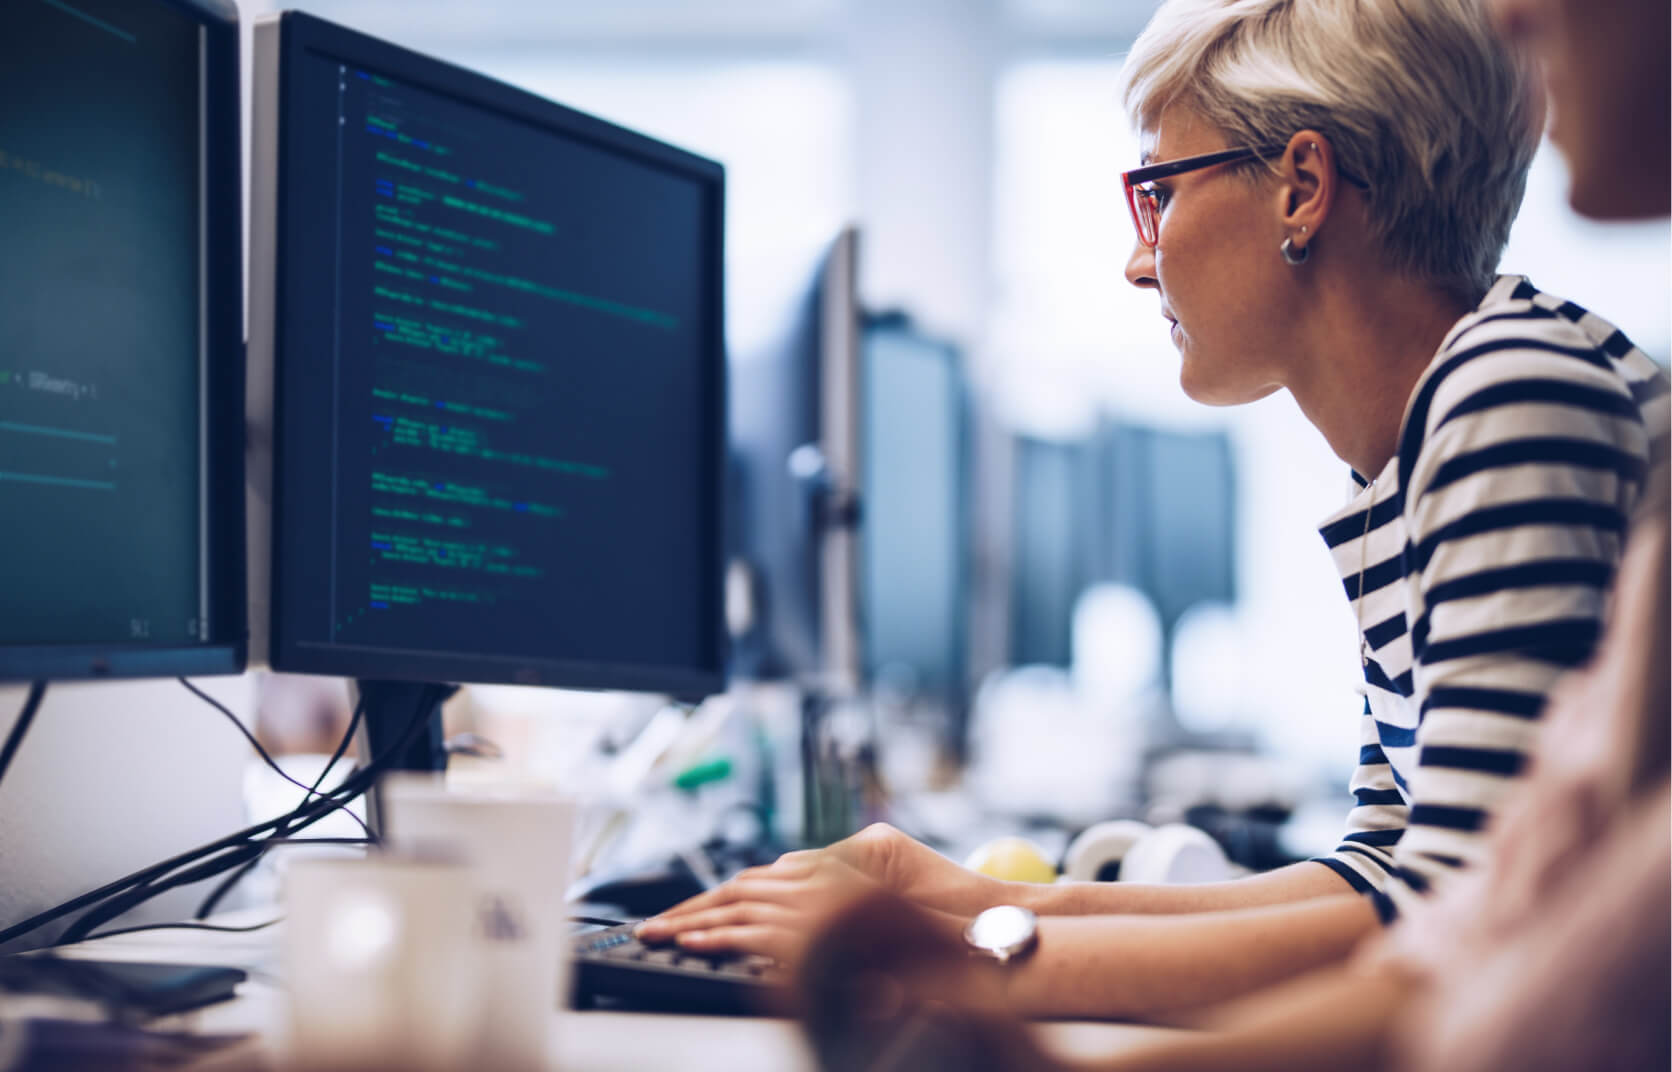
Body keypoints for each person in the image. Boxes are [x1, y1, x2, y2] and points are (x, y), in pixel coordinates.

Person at [638, 0, 1667, 1021]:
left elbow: (1445, 921)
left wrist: (944, 959)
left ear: (1300, 188)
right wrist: (986, 900)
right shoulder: (1418, 440)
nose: (1140, 260)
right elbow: (1379, 870)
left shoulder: (1507, 394)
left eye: (1157, 196)